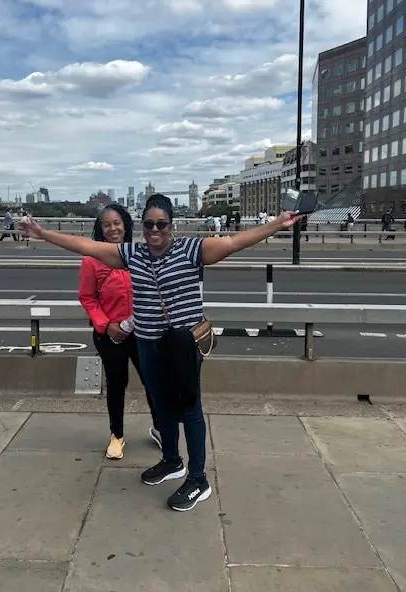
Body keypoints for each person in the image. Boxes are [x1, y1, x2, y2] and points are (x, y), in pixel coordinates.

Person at [20, 194, 302, 512]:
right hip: (147, 343)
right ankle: (172, 461)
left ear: (171, 225)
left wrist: (278, 224)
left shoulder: (191, 250)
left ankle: (198, 479)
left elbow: (235, 242)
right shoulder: (133, 254)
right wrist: (42, 233)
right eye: (149, 224)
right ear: (142, 226)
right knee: (161, 404)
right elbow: (85, 246)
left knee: (190, 408)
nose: (155, 230)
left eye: (161, 224)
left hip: (182, 345)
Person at [79, 204, 160, 460]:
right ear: (100, 229)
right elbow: (87, 298)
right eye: (107, 224)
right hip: (110, 334)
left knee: (152, 380)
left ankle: (160, 428)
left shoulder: (139, 254)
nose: (113, 228)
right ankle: (117, 435)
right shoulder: (92, 260)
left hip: (141, 330)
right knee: (116, 383)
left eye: (117, 223)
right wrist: (106, 325)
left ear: (125, 225)